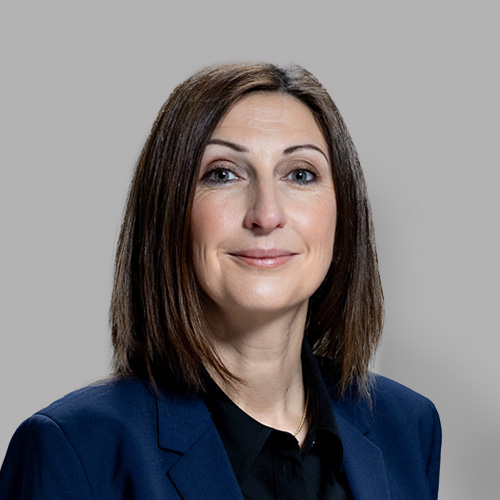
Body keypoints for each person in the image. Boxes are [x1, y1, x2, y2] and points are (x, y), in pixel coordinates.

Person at [0, 63, 441, 500]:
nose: (266, 214)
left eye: (300, 174)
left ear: (343, 215)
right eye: (223, 173)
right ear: (170, 211)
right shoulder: (73, 451)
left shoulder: (407, 427)